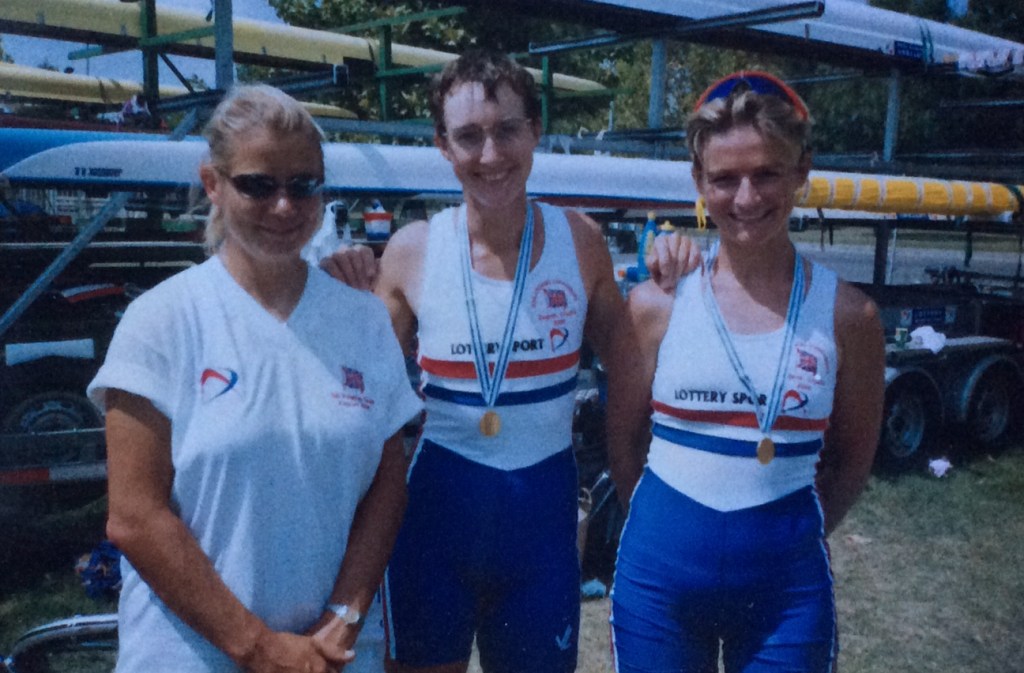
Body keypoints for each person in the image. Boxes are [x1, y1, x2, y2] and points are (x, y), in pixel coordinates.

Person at [319, 49, 698, 673]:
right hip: (435, 523)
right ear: (443, 145)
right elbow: (356, 399)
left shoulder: (580, 242)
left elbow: (628, 375)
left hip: (542, 530)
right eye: (469, 136)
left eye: (507, 131)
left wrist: (637, 493)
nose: (491, 156)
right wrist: (337, 300)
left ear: (536, 133)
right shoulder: (412, 252)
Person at [88, 84, 422, 673]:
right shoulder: (161, 321)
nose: (285, 206)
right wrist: (262, 649)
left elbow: (387, 486)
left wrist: (342, 618)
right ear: (213, 184)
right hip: (190, 658)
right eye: (258, 185)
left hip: (330, 657)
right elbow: (135, 515)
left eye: (303, 185)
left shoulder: (363, 321)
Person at [605, 71, 885, 673]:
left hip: (786, 592)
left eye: (767, 173)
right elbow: (624, 441)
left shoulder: (849, 316)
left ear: (802, 170)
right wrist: (666, 533)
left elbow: (854, 457)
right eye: (724, 179)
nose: (746, 198)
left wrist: (782, 538)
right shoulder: (656, 304)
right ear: (699, 183)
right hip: (659, 585)